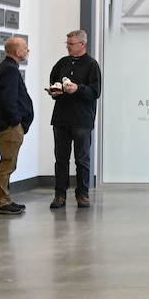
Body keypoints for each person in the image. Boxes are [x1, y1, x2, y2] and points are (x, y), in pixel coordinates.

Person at [46, 29, 102, 208]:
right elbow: (53, 81)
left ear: (82, 44)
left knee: (82, 159)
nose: (68, 47)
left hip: (82, 120)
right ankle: (59, 194)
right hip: (61, 118)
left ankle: (82, 194)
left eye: (71, 44)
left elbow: (95, 91)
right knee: (60, 158)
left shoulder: (92, 65)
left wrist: (78, 89)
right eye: (67, 44)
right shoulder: (62, 63)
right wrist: (55, 91)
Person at [0, 36, 33, 213]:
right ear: (18, 51)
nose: (28, 51)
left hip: (10, 124)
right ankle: (0, 202)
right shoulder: (10, 70)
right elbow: (9, 99)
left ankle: (5, 199)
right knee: (7, 163)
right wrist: (16, 121)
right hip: (9, 126)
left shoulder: (8, 67)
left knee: (8, 163)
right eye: (25, 48)